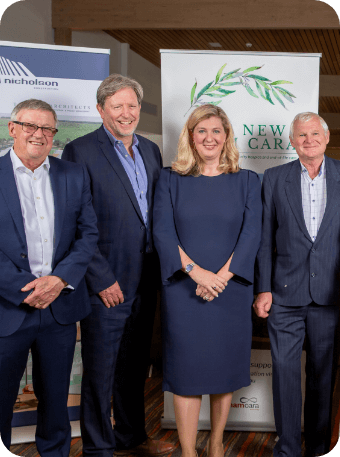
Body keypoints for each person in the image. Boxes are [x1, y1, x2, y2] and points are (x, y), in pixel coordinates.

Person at [62, 74, 174, 457]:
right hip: (107, 280)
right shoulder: (81, 151)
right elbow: (76, 221)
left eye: (132, 106)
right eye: (117, 106)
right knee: (100, 370)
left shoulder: (151, 150)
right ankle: (98, 447)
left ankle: (132, 436)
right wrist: (101, 279)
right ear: (100, 110)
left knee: (134, 365)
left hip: (146, 279)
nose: (126, 114)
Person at [153, 104, 262, 457]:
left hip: (230, 291)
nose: (209, 137)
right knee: (187, 373)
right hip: (184, 290)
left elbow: (251, 235)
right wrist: (198, 274)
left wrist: (221, 277)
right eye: (202, 131)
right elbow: (163, 234)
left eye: (216, 131)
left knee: (223, 370)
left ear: (227, 136)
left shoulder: (247, 180)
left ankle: (215, 445)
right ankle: (188, 451)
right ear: (190, 136)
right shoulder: (169, 178)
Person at [0, 99, 98, 455]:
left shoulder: (72, 174)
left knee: (56, 401)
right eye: (30, 126)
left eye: (47, 129)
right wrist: (23, 289)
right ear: (13, 128)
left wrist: (58, 281)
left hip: (59, 307)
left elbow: (88, 235)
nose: (38, 135)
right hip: (8, 307)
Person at [254, 112, 340, 457]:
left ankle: (318, 447)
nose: (308, 139)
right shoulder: (274, 179)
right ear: (292, 141)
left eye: (314, 133)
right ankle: (287, 448)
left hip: (330, 297)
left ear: (327, 136)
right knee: (286, 375)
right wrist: (263, 288)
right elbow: (263, 240)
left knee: (323, 375)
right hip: (285, 296)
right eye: (301, 135)